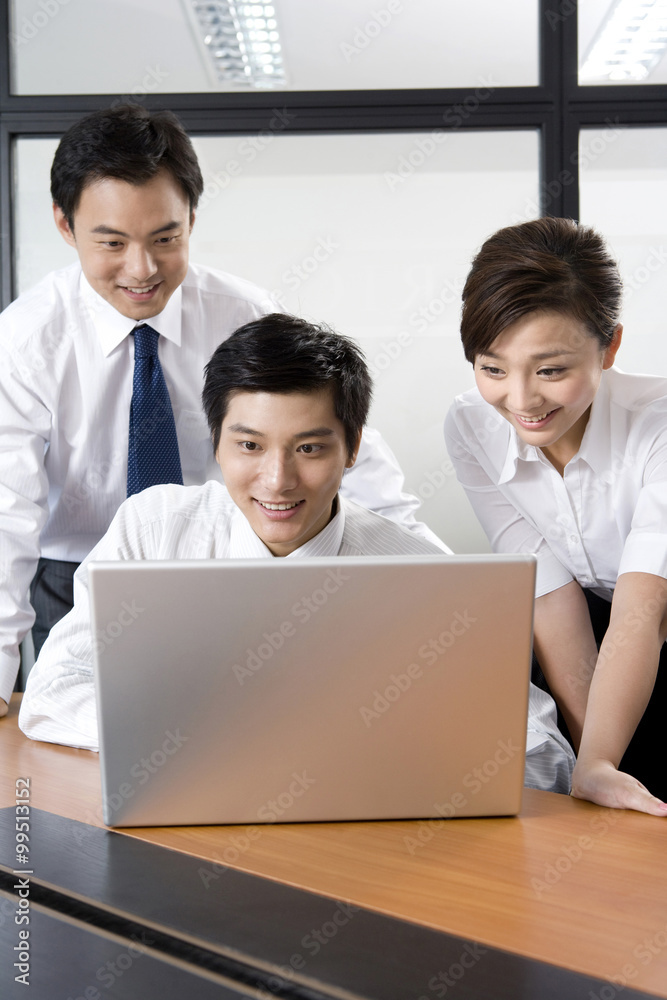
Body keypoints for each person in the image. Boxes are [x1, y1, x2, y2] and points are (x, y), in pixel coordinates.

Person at [0, 104, 446, 718]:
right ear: (65, 225)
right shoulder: (26, 340)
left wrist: (437, 582)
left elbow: (328, 435)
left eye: (166, 239)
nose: (143, 269)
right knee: (85, 735)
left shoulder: (239, 310)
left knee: (241, 722)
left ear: (191, 221)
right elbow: (6, 511)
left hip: (223, 561)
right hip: (76, 574)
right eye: (112, 243)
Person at [19, 314, 574, 794]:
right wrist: (207, 741)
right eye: (249, 446)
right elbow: (52, 692)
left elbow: (542, 753)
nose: (277, 480)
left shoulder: (418, 572)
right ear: (215, 443)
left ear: (354, 447)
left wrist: (386, 757)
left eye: (309, 448)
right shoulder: (155, 527)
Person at [445, 216, 667, 816]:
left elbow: (643, 611)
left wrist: (602, 758)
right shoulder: (470, 425)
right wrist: (591, 762)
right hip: (602, 620)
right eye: (493, 369)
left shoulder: (659, 426)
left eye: (550, 371)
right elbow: (551, 594)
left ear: (610, 346)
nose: (520, 401)